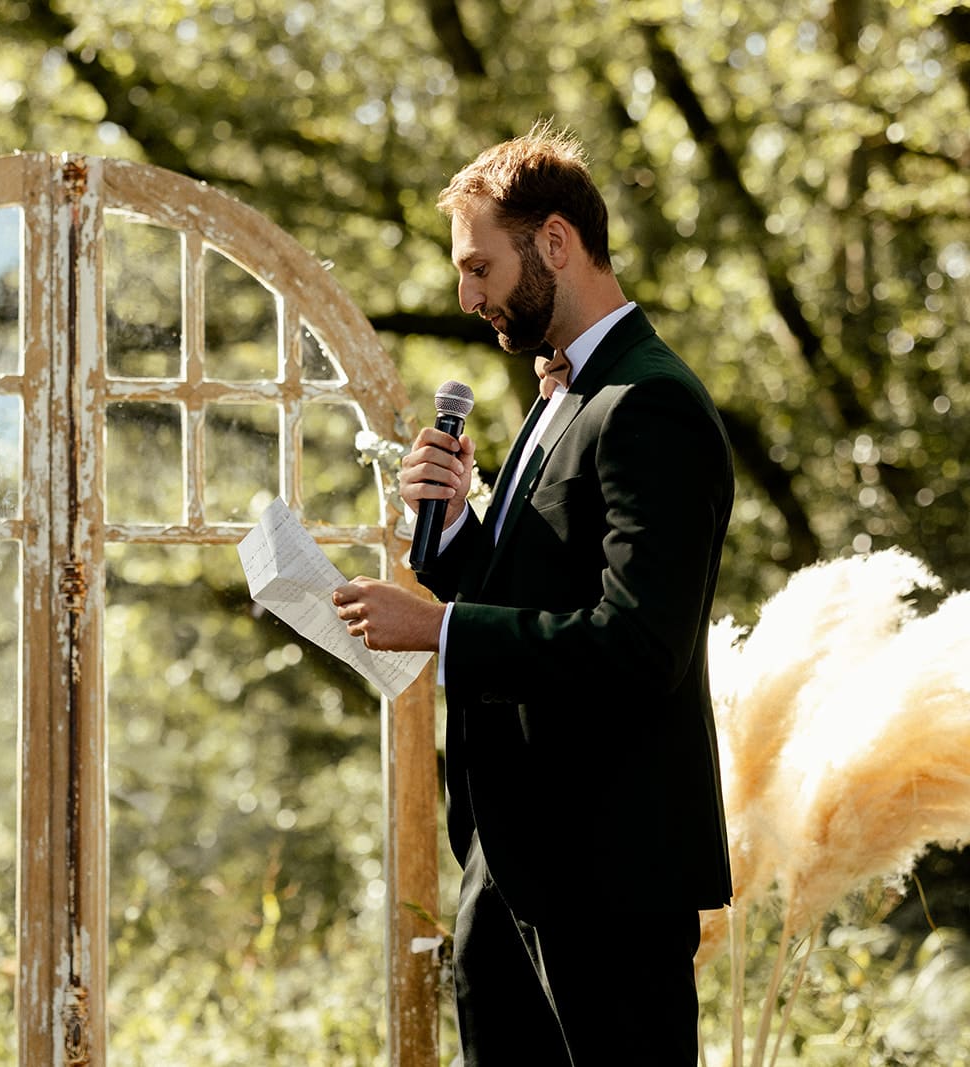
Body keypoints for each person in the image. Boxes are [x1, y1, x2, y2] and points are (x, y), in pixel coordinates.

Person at [332, 125, 733, 1064]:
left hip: (609, 880)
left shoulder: (649, 404)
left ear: (555, 242)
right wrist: (452, 532)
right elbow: (532, 592)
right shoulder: (561, 398)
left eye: (480, 267)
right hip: (510, 864)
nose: (466, 297)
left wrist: (440, 630)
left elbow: (639, 644)